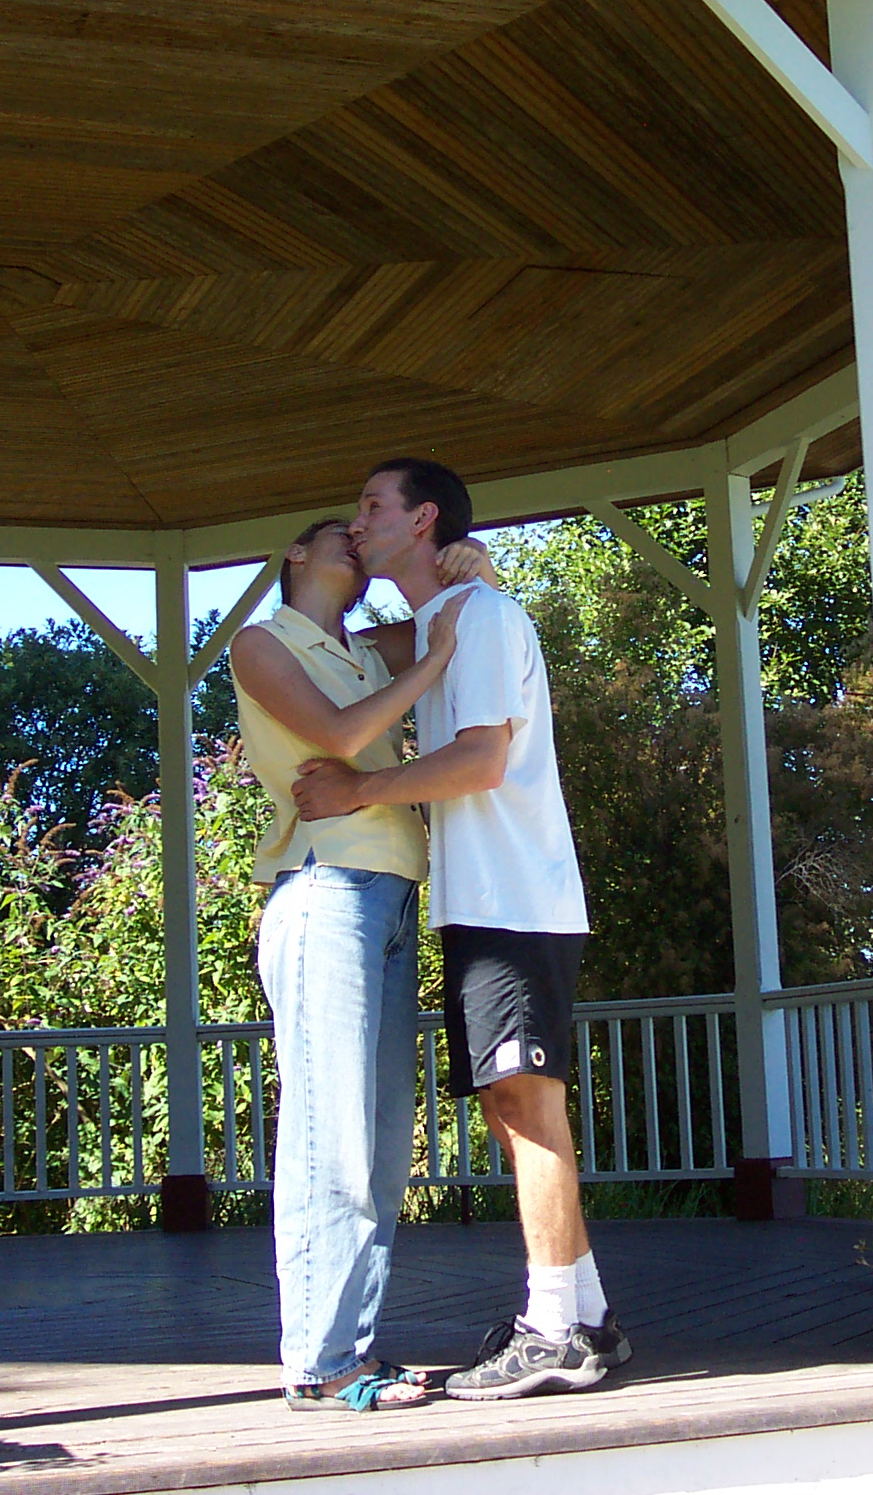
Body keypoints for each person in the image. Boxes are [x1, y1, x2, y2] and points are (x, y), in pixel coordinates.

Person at [292, 458, 630, 1400]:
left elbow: (482, 760)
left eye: (372, 507)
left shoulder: (481, 620)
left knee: (528, 1107)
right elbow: (353, 652)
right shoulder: (450, 620)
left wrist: (358, 788)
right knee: (512, 1105)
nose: (357, 522)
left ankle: (554, 1329)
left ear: (423, 516)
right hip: (485, 905)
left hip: (514, 900)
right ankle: (588, 1317)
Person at [228, 517, 486, 1413]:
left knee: (376, 1144)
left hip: (389, 895)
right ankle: (319, 1365)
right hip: (324, 891)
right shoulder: (261, 642)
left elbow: (457, 610)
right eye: (337, 533)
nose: (354, 540)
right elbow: (339, 736)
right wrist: (432, 659)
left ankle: (351, 1353)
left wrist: (468, 565)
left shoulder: (367, 649)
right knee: (325, 1137)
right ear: (295, 556)